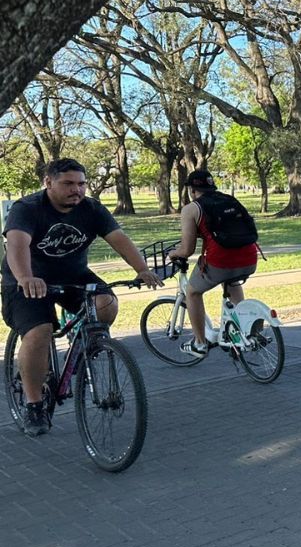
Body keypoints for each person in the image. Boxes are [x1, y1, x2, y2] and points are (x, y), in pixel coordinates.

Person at [1, 159, 162, 437]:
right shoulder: (27, 208)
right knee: (40, 332)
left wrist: (142, 269)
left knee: (107, 304)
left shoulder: (91, 209)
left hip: (73, 275)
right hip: (26, 278)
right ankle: (34, 402)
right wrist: (26, 277)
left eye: (81, 184)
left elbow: (119, 238)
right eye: (68, 184)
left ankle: (83, 349)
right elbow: (17, 244)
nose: (76, 190)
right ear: (48, 183)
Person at [168, 170, 260, 357]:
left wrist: (173, 253)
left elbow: (187, 250)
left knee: (192, 292)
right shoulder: (229, 199)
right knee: (232, 281)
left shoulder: (191, 209)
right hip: (250, 258)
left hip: (221, 262)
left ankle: (200, 343)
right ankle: (242, 331)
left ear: (192, 190)